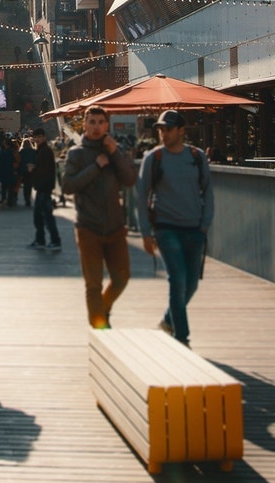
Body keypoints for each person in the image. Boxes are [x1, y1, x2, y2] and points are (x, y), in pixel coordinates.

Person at [135, 109, 215, 347]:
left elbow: (208, 192)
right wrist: (146, 233)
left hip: (194, 229)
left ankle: (168, 320)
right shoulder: (154, 158)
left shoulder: (197, 156)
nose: (163, 133)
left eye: (168, 129)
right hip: (166, 228)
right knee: (177, 279)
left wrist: (204, 225)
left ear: (182, 131)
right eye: (160, 129)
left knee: (191, 284)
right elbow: (141, 196)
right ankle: (182, 337)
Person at [60, 105, 138, 328]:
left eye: (100, 122)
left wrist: (114, 154)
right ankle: (100, 327)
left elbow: (130, 179)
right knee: (93, 284)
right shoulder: (77, 154)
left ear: (106, 125)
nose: (96, 127)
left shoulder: (115, 150)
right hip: (88, 227)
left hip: (115, 227)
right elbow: (67, 186)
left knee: (121, 278)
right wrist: (95, 166)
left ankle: (103, 310)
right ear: (84, 125)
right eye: (91, 122)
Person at [27, 129, 61, 250]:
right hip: (42, 187)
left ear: (44, 137)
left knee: (46, 216)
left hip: (44, 188)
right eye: (36, 137)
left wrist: (33, 169)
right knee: (40, 216)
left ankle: (54, 240)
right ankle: (41, 239)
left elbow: (44, 170)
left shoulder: (45, 151)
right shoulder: (42, 150)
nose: (37, 139)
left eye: (40, 137)